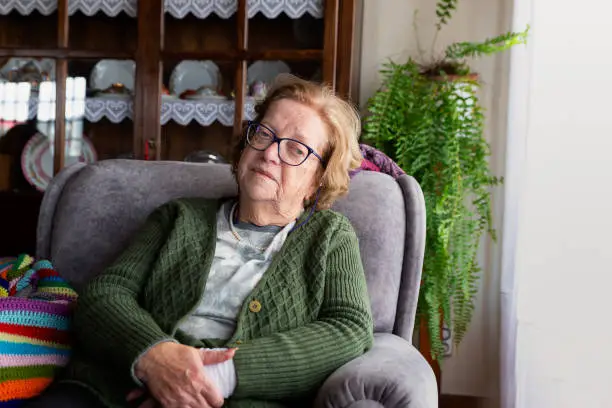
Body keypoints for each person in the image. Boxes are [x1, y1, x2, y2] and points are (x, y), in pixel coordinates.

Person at [26, 74, 373, 408]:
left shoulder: (329, 237)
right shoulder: (178, 217)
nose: (269, 153)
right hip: (117, 392)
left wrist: (216, 377)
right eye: (264, 134)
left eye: (296, 149)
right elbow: (105, 294)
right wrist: (154, 357)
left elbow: (349, 329)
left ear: (319, 179)